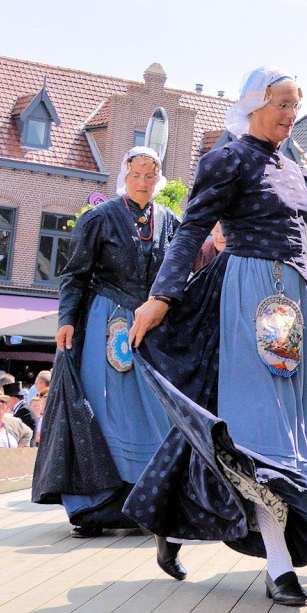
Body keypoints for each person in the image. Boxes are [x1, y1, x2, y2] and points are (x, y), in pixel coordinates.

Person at [125, 67, 307, 607]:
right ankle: (279, 567)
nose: (291, 114)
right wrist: (161, 296)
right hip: (249, 297)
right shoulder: (228, 159)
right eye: (283, 103)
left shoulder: (298, 172)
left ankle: (177, 524)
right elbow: (191, 229)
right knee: (264, 439)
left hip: (291, 306)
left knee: (261, 430)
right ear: (255, 103)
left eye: (296, 106)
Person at [38, 147, 181, 536]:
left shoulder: (171, 222)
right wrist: (67, 319)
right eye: (136, 175)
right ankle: (96, 504)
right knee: (105, 409)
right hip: (106, 321)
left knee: (151, 411)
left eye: (150, 176)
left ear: (159, 179)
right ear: (125, 175)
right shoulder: (98, 219)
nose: (143, 183)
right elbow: (75, 275)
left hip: (151, 327)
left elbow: (182, 271)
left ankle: (146, 498)